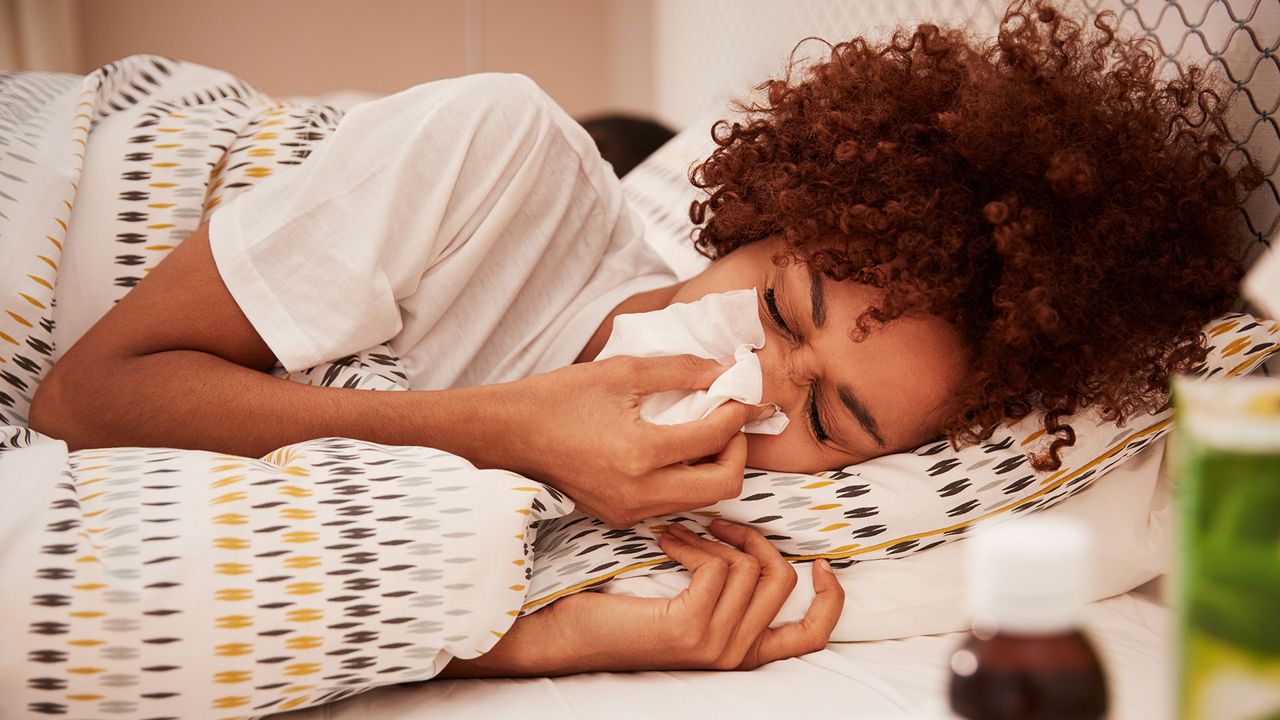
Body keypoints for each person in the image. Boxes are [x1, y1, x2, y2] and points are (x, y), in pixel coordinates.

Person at [27, 0, 1262, 676]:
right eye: (781, 311)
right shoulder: (494, 153)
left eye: (830, 419)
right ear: (772, 208)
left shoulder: (684, 521)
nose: (761, 386)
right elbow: (82, 401)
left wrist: (558, 640)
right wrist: (504, 429)